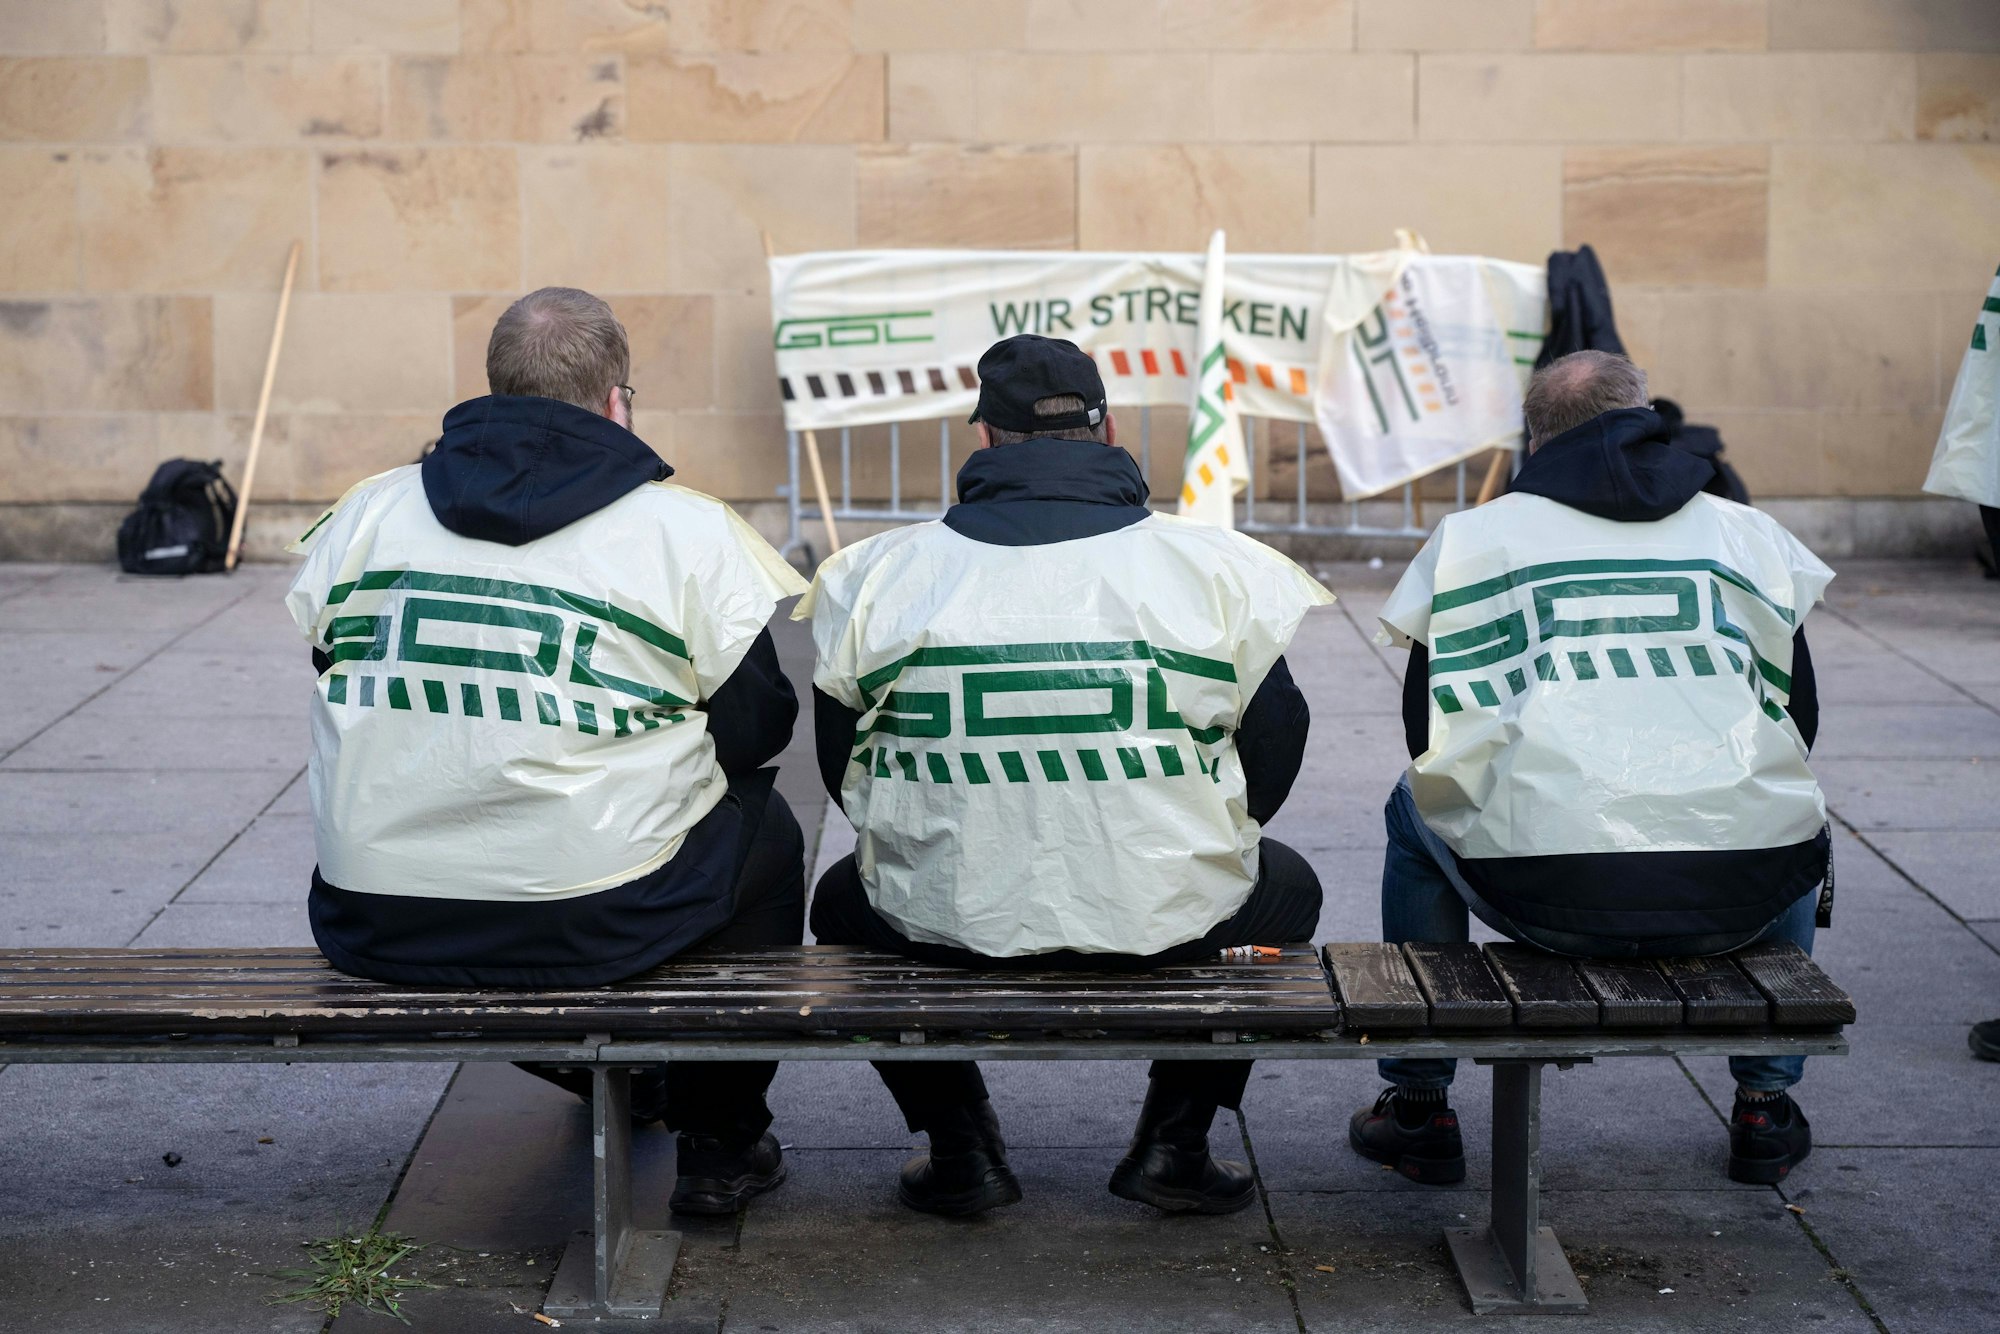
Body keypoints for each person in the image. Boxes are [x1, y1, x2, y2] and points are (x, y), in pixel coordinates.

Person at [284, 287, 809, 1216]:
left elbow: (331, 666)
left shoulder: (368, 512)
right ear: (617, 403)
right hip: (590, 917)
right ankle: (720, 1143)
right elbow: (759, 730)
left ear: (492, 389)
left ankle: (627, 1082)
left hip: (376, 917)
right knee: (764, 831)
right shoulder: (682, 529)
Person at [800, 334, 1331, 1217]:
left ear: (986, 441)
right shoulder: (1213, 568)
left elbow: (844, 776)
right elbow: (1276, 750)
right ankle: (1176, 1143)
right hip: (1174, 922)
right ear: (1108, 428)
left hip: (942, 923)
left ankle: (962, 1150)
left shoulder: (878, 574)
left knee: (842, 905)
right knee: (1286, 893)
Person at [1351, 350, 1833, 1187]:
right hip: (1736, 893)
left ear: (1535, 439)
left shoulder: (1472, 540)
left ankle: (1421, 1105)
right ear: (1645, 414)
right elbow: (1801, 720)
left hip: (1540, 893)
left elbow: (1425, 733)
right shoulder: (1746, 533)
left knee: (1411, 804)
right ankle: (1765, 1103)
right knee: (1785, 795)